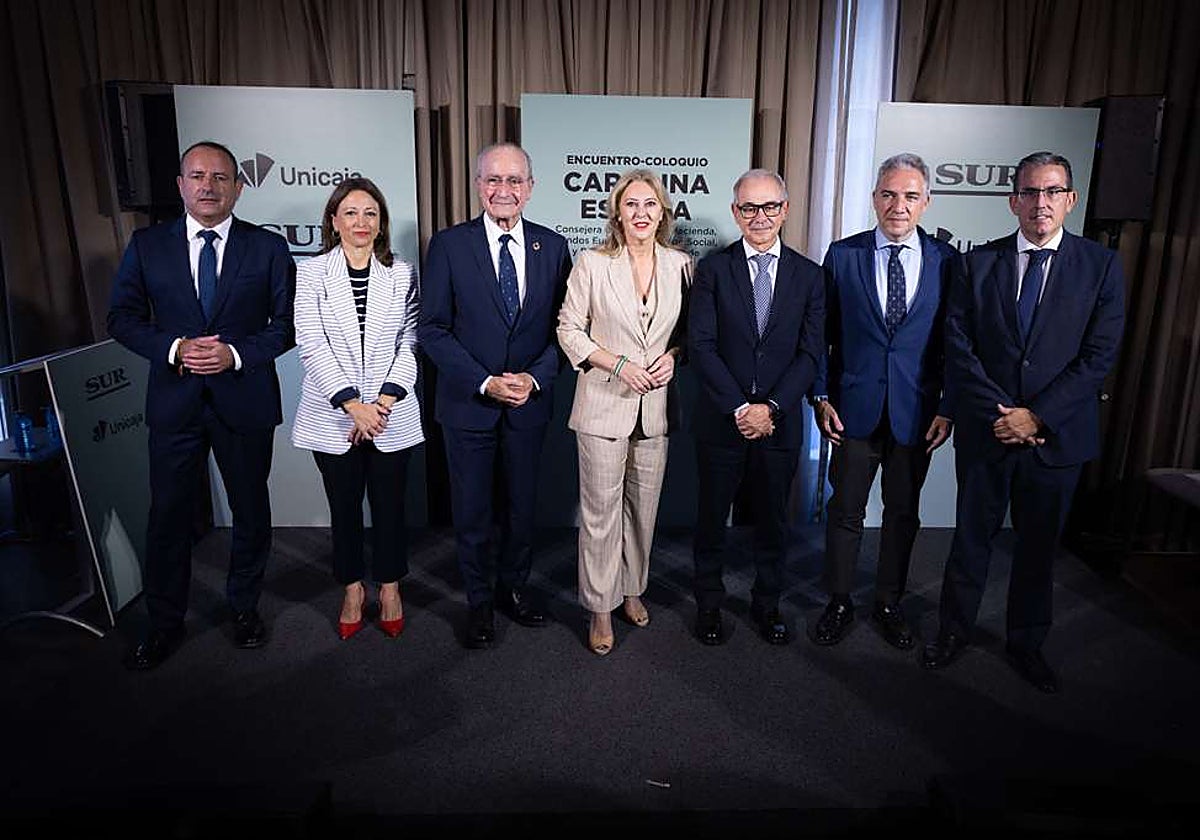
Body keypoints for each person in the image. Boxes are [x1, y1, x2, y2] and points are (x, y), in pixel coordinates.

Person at [921, 151, 1125, 693]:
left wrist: (1037, 417)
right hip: (988, 431)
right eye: (1031, 193)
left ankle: (1027, 642)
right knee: (970, 541)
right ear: (1013, 201)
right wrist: (1002, 415)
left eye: (1053, 192)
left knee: (1037, 549)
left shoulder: (1100, 266)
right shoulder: (977, 263)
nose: (1041, 203)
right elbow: (958, 345)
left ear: (1071, 200)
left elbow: (1099, 355)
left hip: (1055, 438)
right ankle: (953, 631)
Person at [107, 140, 295, 670]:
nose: (208, 186)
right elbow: (121, 318)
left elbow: (285, 327)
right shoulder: (147, 246)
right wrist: (174, 349)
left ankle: (244, 609)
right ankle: (164, 624)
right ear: (180, 185)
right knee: (167, 516)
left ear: (238, 185)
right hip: (175, 404)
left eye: (219, 177)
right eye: (197, 176)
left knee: (250, 511)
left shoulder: (267, 248)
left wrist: (235, 354)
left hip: (245, 401)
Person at [418, 142, 572, 649]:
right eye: (493, 180)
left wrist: (533, 379)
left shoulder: (552, 247)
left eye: (514, 181)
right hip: (469, 405)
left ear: (530, 187)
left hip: (529, 404)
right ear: (477, 185)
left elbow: (564, 330)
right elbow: (434, 329)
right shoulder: (448, 245)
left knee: (521, 508)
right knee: (473, 510)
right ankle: (479, 601)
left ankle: (516, 589)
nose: (503, 190)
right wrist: (485, 381)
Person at [808, 153, 956, 650]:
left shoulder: (946, 261)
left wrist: (948, 404)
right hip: (853, 410)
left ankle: (889, 602)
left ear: (926, 202)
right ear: (874, 199)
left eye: (911, 196)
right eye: (889, 194)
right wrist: (821, 394)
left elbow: (953, 342)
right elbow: (821, 335)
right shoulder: (843, 255)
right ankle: (840, 600)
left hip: (916, 413)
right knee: (845, 509)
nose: (899, 205)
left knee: (902, 513)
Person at [556, 169, 692, 656]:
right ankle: (599, 606)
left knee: (643, 510)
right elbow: (569, 330)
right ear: (616, 212)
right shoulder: (592, 263)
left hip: (654, 408)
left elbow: (687, 337)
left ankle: (631, 589)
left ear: (663, 212)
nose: (641, 214)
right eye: (631, 205)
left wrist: (673, 359)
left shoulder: (681, 264)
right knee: (599, 515)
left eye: (650, 205)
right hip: (602, 405)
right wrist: (617, 365)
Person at [688, 169, 824, 646]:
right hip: (722, 421)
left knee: (773, 521)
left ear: (785, 210)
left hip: (779, 424)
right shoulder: (712, 269)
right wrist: (739, 409)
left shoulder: (810, 276)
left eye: (769, 207)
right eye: (749, 207)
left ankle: (768, 604)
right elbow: (701, 346)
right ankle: (708, 603)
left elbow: (811, 353)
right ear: (735, 212)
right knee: (711, 520)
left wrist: (771, 407)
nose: (760, 217)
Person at [291, 178, 423, 641]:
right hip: (334, 416)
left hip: (390, 413)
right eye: (350, 212)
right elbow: (310, 343)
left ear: (381, 222)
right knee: (343, 507)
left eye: (370, 213)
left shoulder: (402, 273)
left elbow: (410, 340)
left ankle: (389, 588)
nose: (361, 222)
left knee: (389, 507)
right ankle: (351, 588)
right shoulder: (310, 273)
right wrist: (352, 406)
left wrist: (382, 403)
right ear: (333, 220)